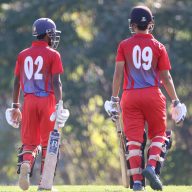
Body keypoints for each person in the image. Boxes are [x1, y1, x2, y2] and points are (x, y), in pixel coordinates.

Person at [104, 6, 187, 192]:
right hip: (152, 94)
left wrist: (114, 98)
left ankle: (138, 184)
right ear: (150, 25)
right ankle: (151, 166)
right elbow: (166, 78)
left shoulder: (124, 45)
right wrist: (175, 100)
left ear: (132, 25)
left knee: (133, 141)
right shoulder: (159, 47)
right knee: (159, 135)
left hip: (130, 95)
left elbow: (118, 75)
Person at [5, 18, 69, 191]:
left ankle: (26, 163)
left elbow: (17, 81)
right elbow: (57, 82)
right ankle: (44, 183)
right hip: (47, 99)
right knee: (49, 143)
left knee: (30, 143)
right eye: (52, 34)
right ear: (48, 34)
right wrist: (59, 103)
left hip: (29, 100)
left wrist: (16, 105)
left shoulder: (23, 54)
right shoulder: (53, 54)